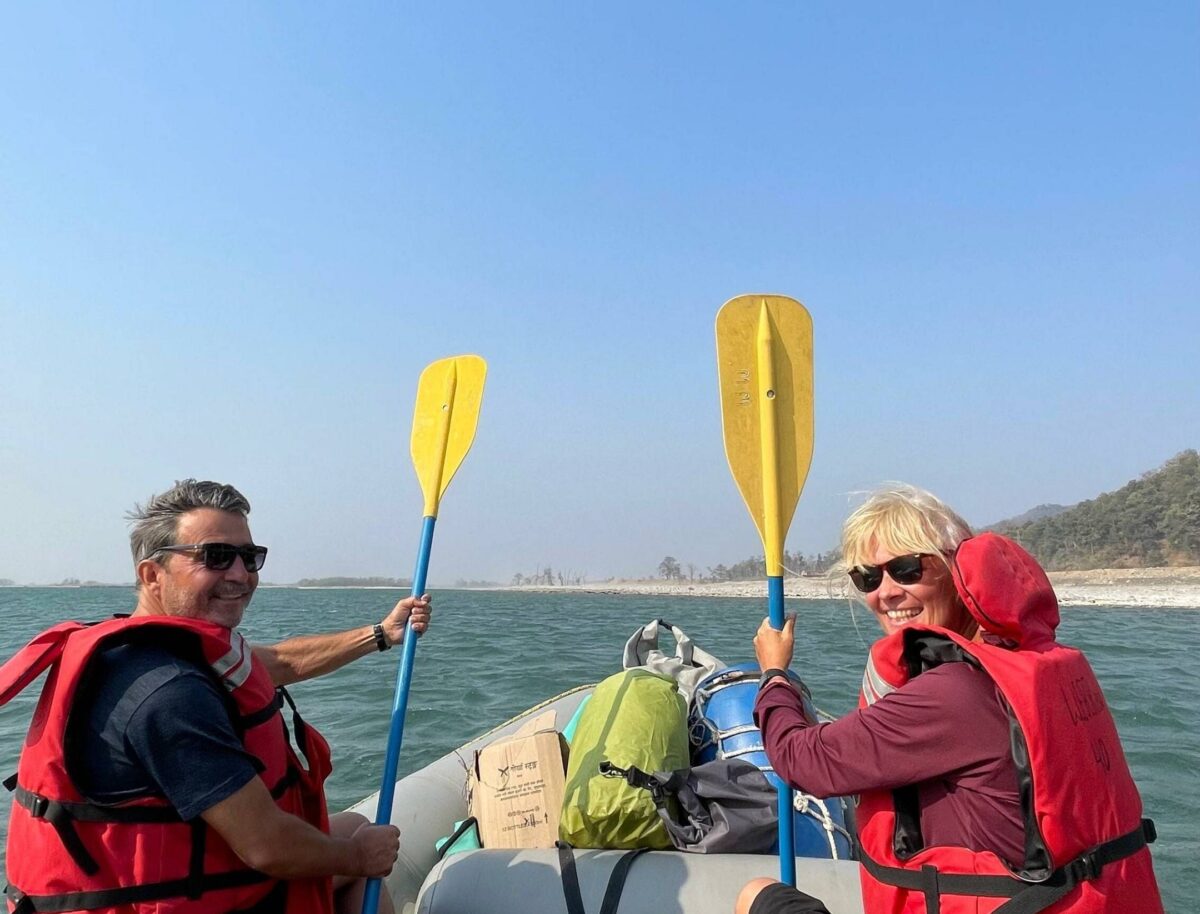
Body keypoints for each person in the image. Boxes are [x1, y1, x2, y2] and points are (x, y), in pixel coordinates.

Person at [0, 479, 432, 914]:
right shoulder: (169, 695)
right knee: (359, 857)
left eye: (250, 557)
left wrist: (380, 634)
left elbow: (277, 662)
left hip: (127, 884)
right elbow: (267, 845)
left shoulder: (147, 651)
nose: (241, 574)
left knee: (354, 825)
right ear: (152, 574)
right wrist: (359, 857)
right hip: (175, 895)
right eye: (216, 557)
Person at [736, 484, 1163, 914]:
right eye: (867, 577)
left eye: (906, 569)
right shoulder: (1035, 665)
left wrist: (775, 675)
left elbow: (803, 760)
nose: (884, 593)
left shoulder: (953, 694)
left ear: (956, 572)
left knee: (757, 895)